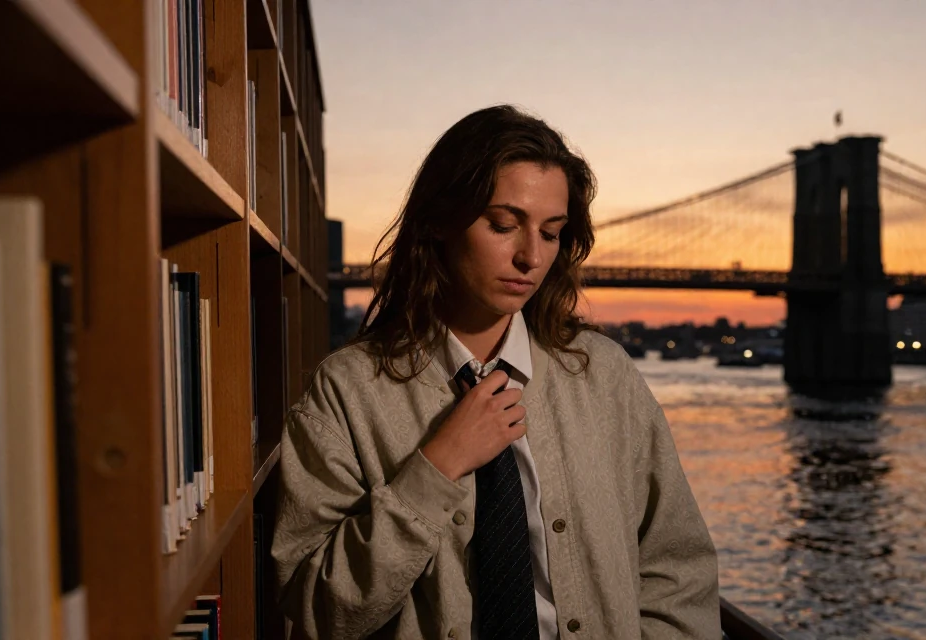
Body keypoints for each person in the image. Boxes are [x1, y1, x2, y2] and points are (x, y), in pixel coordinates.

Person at [272, 104, 720, 639]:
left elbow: (679, 572)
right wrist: (436, 469)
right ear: (439, 220)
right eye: (504, 225)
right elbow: (313, 611)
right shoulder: (345, 393)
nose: (531, 256)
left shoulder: (607, 378)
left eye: (551, 233)